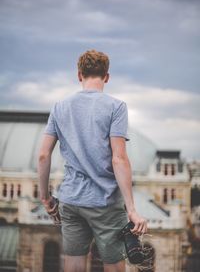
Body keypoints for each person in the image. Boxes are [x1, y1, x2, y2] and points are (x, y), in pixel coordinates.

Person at [38, 49, 147, 272]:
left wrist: (46, 198)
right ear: (107, 76)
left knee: (74, 264)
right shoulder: (116, 107)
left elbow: (43, 155)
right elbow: (119, 158)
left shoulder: (59, 107)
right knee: (114, 265)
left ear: (79, 75)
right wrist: (132, 208)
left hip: (70, 200)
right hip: (105, 202)